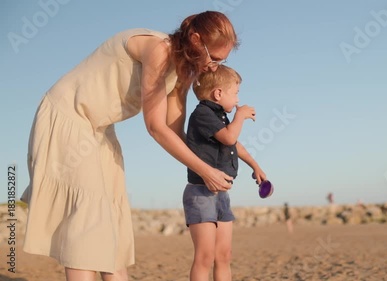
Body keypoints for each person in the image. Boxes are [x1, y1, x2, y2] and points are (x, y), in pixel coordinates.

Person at [20, 11, 239, 281]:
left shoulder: (183, 73)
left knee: (112, 220)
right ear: (195, 40)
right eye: (214, 58)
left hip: (99, 128)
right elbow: (155, 127)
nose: (215, 67)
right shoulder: (158, 49)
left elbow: (174, 131)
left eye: (223, 61)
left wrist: (210, 166)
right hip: (68, 115)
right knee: (86, 222)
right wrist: (205, 172)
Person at [183, 65, 266, 281]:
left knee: (224, 255)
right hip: (201, 194)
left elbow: (234, 144)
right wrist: (240, 116)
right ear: (218, 93)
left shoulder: (221, 118)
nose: (238, 100)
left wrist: (255, 166)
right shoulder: (202, 114)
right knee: (205, 256)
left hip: (221, 194)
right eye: (235, 93)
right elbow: (230, 138)